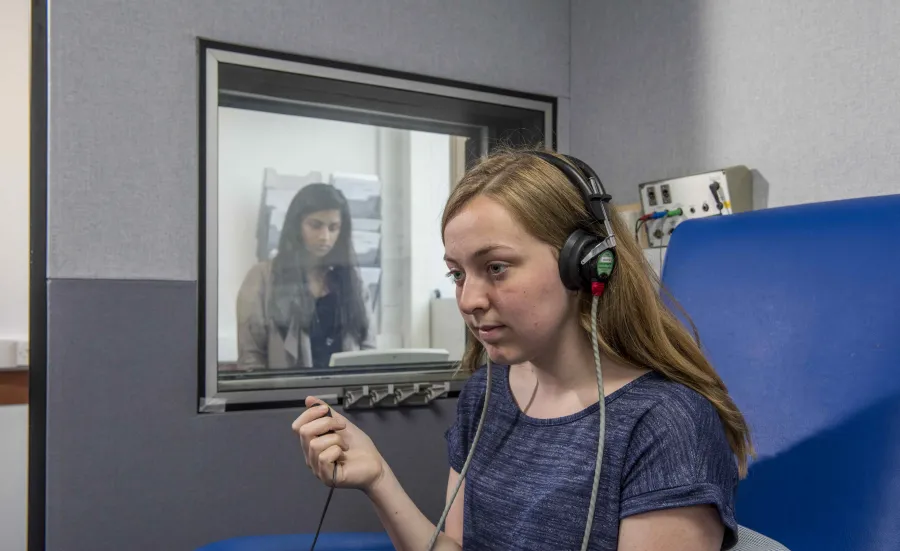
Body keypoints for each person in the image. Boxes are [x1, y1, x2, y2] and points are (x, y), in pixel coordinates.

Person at [292, 149, 754, 550]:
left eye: (495, 267)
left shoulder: (664, 425)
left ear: (584, 264)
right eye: (458, 274)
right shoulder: (487, 394)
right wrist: (377, 478)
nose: (468, 299)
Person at [237, 183, 375, 370]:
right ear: (297, 226)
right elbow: (251, 359)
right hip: (286, 396)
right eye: (315, 225)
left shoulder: (353, 282)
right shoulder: (262, 278)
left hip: (342, 395)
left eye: (333, 227)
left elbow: (368, 350)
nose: (324, 237)